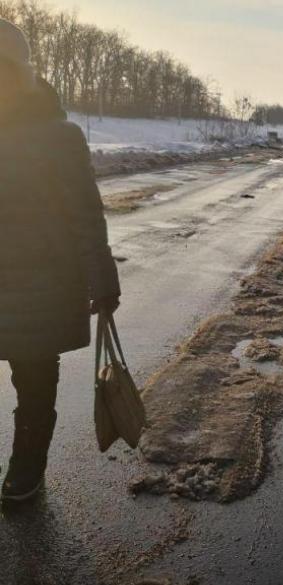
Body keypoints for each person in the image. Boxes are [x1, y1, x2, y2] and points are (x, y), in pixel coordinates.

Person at [0, 19, 121, 502]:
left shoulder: (58, 136)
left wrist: (102, 280)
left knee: (31, 376)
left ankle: (27, 465)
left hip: (39, 281)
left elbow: (85, 214)